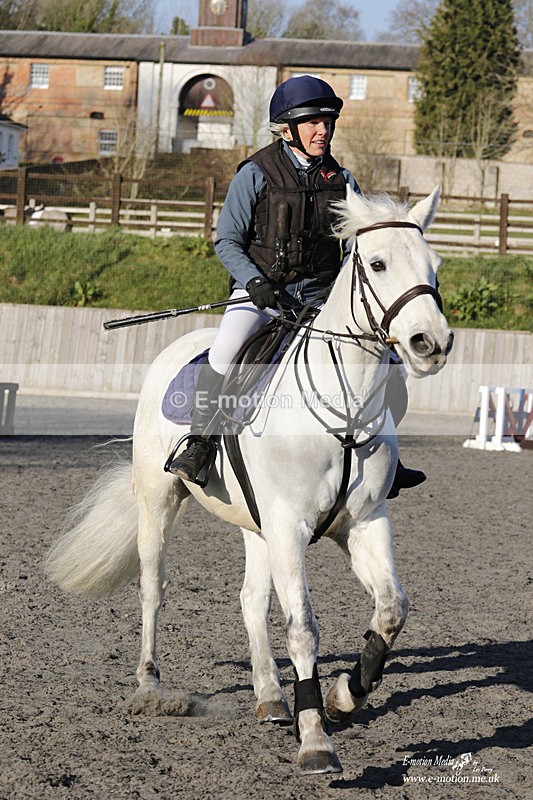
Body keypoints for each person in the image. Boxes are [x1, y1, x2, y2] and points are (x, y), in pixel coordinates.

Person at [166, 75, 425, 497]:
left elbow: (362, 247)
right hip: (263, 294)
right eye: (313, 123)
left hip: (322, 299)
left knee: (386, 364)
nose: (324, 130)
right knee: (227, 348)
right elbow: (226, 240)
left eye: (328, 122)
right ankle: (200, 442)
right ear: (287, 129)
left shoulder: (342, 180)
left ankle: (386, 458)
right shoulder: (255, 173)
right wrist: (253, 282)